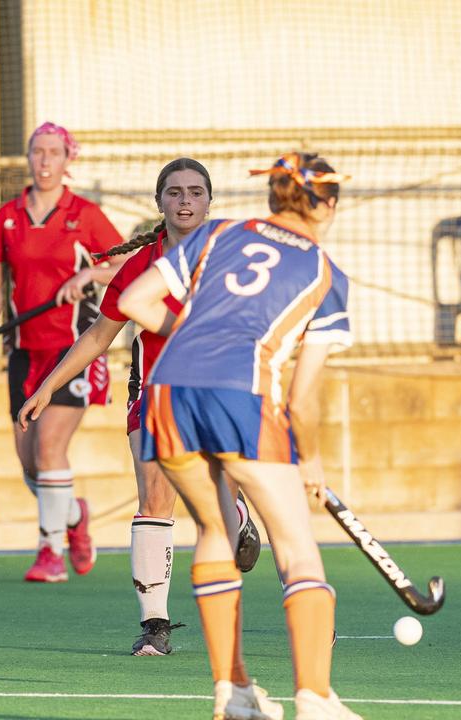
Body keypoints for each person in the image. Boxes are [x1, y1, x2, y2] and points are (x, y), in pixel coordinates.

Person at [118, 151, 360, 720]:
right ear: (326, 206)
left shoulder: (218, 234)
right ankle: (316, 699)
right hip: (241, 399)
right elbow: (301, 398)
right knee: (298, 549)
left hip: (166, 394)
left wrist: (193, 336)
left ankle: (235, 691)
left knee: (214, 532)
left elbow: (133, 302)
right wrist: (314, 463)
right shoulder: (326, 272)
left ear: (274, 196)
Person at [17, 158, 262, 657]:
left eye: (196, 192)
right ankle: (156, 627)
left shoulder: (229, 259)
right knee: (154, 498)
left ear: (210, 202)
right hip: (151, 393)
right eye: (175, 193)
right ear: (160, 203)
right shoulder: (138, 267)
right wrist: (48, 384)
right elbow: (98, 335)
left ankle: (234, 510)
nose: (186, 201)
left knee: (214, 496)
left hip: (216, 390)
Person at [0, 122, 126, 583]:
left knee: (51, 447)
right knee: (30, 463)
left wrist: (88, 278)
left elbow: (124, 264)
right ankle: (74, 516)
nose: (44, 160)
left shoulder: (85, 215)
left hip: (74, 348)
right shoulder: (8, 216)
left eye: (53, 152)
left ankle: (49, 552)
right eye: (37, 151)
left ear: (66, 159)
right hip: (24, 350)